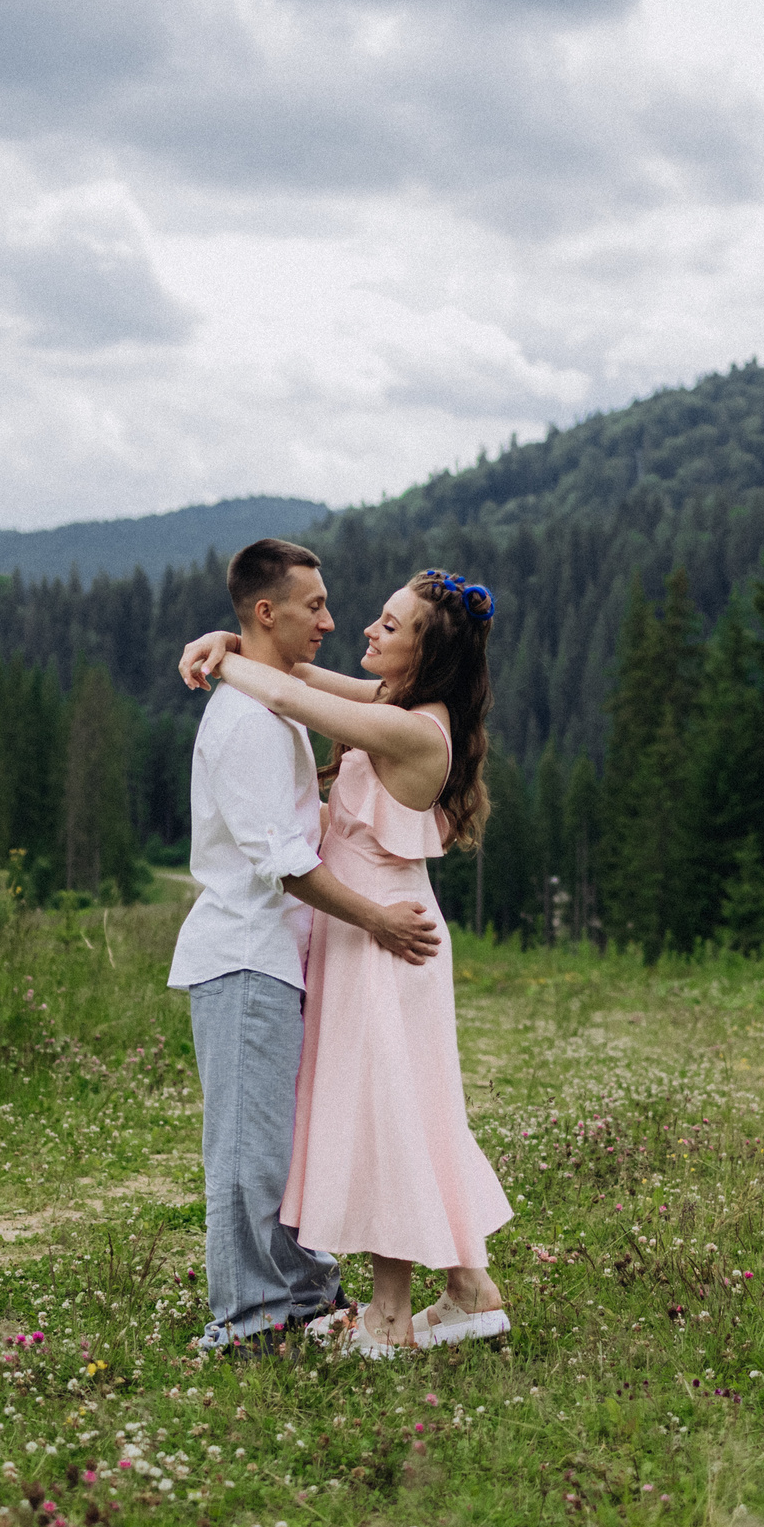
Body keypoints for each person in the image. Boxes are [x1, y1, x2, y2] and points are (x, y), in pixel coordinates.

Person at [178, 568, 512, 1356]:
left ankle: (390, 1317)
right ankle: (469, 1288)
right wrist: (232, 638)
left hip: (384, 930)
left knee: (389, 1111)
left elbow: (287, 694)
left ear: (424, 652)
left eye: (390, 625)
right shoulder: (394, 705)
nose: (367, 629)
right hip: (367, 927)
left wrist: (226, 658)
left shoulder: (411, 728)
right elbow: (295, 675)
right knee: (403, 1107)